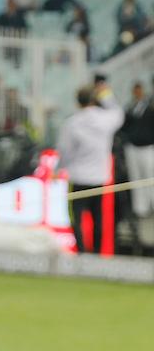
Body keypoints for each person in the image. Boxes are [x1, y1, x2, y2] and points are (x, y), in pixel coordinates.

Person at [56, 81, 124, 254]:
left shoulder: (72, 123)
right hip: (99, 177)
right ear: (94, 100)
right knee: (98, 217)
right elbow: (118, 113)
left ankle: (81, 252)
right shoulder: (106, 119)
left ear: (77, 102)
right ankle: (96, 253)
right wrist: (106, 94)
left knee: (76, 216)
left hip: (78, 177)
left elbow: (65, 150)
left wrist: (58, 169)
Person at [121, 80, 154, 218]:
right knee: (136, 178)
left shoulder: (150, 107)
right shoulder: (130, 108)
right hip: (133, 147)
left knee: (150, 177)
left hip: (147, 147)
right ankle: (141, 208)